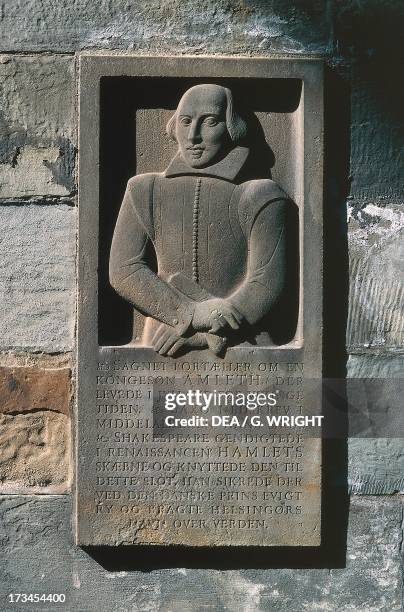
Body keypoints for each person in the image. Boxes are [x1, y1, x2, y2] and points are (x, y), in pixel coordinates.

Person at [109, 84, 293, 356]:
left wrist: (209, 333)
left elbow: (267, 282)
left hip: (245, 345)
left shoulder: (261, 194)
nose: (193, 136)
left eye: (210, 122)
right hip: (161, 338)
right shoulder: (143, 189)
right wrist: (189, 316)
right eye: (185, 121)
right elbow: (124, 270)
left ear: (232, 127)